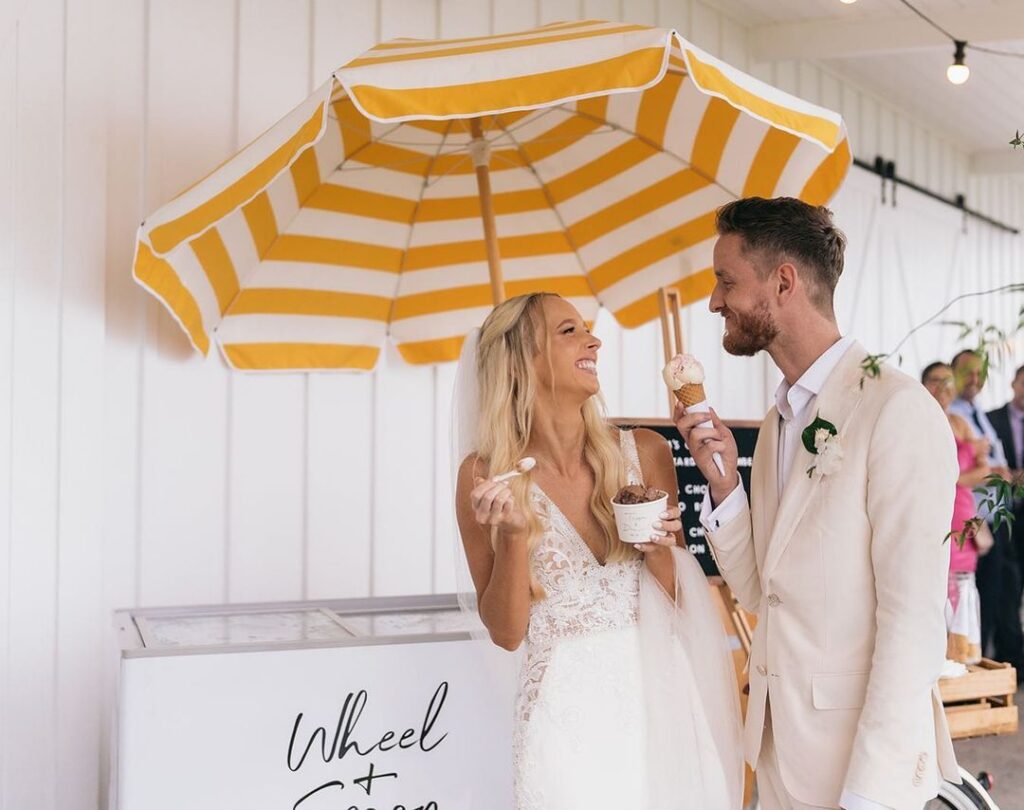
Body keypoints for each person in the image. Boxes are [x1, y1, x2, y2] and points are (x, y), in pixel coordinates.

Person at [675, 197, 959, 810]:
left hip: (858, 772)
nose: (714, 301)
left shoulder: (897, 410)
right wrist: (725, 488)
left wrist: (870, 793)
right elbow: (764, 597)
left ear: (783, 282)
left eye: (726, 280)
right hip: (778, 757)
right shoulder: (781, 420)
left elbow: (912, 625)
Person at [454, 292, 742, 810]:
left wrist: (658, 550)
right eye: (569, 331)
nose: (595, 340)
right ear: (522, 357)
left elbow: (676, 603)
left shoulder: (646, 452)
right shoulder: (484, 475)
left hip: (662, 710)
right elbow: (505, 632)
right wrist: (516, 535)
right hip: (564, 730)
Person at [949, 350, 1024, 674]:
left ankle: (993, 667)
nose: (974, 380)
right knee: (967, 601)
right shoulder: (952, 416)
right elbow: (957, 472)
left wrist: (1002, 471)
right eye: (967, 373)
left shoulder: (975, 411)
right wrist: (992, 470)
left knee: (994, 597)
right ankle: (971, 670)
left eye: (980, 374)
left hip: (994, 519)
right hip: (968, 522)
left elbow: (991, 461)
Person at [922, 361, 988, 663]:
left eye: (949, 382)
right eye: (936, 381)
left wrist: (954, 477)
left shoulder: (960, 422)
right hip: (932, 504)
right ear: (923, 384)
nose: (943, 388)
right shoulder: (916, 417)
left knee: (962, 585)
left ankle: (963, 656)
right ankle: (935, 657)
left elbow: (983, 468)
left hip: (961, 507)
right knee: (933, 581)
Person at [985, 362, 1024, 681]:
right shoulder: (991, 418)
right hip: (1005, 513)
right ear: (1013, 383)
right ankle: (1012, 663)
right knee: (1008, 588)